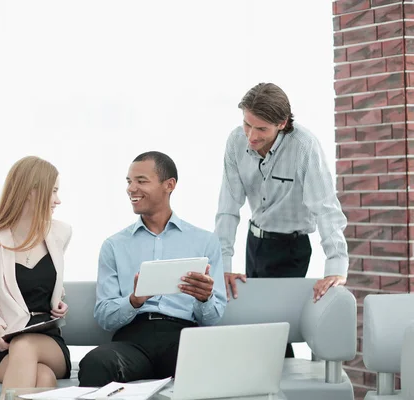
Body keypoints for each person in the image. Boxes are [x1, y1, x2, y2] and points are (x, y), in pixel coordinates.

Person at [215, 83, 349, 356]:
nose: (251, 136)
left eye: (261, 129)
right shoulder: (235, 142)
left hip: (291, 248)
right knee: (254, 325)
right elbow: (228, 207)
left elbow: (326, 208)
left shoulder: (303, 147)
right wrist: (223, 265)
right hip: (255, 244)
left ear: (282, 123)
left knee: (276, 332)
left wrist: (336, 267)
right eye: (247, 124)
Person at [78, 151, 226, 387]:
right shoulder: (114, 245)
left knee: (208, 362)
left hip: (182, 337)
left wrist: (204, 298)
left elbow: (213, 317)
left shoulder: (205, 242)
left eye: (141, 181)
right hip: (133, 339)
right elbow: (104, 317)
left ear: (169, 185)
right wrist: (134, 300)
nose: (131, 188)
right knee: (96, 363)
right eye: (129, 181)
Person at [0, 156, 72, 400]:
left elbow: (47, 284)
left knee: (25, 345)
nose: (58, 200)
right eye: (53, 191)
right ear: (31, 191)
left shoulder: (60, 233)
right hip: (0, 345)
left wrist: (58, 301)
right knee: (43, 377)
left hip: (47, 341)